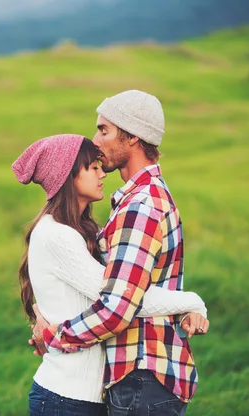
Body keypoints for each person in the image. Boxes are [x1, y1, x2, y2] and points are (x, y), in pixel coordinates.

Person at [31, 91, 206, 415]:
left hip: (142, 371)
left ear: (133, 137)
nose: (96, 141)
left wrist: (57, 336)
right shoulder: (137, 200)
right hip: (138, 374)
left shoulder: (140, 205)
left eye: (104, 130)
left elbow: (119, 306)